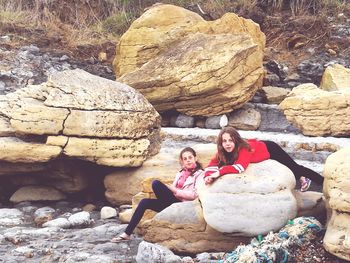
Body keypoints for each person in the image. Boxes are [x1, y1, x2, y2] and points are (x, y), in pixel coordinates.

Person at [111, 147, 203, 242]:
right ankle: (127, 233)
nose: (188, 160)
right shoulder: (181, 173)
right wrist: (169, 188)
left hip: (182, 205)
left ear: (195, 158)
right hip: (172, 202)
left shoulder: (200, 174)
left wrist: (175, 191)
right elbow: (174, 188)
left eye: (190, 157)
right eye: (185, 159)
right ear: (182, 162)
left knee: (155, 183)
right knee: (144, 202)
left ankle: (163, 204)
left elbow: (195, 195)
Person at [203, 127, 323, 191]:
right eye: (224, 141)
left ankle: (322, 181)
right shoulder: (222, 152)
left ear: (236, 140)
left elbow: (240, 167)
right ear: (221, 143)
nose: (228, 144)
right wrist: (208, 176)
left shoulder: (243, 148)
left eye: (231, 140)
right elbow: (211, 165)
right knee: (294, 170)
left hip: (269, 149)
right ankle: (302, 178)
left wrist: (218, 173)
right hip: (261, 148)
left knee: (295, 168)